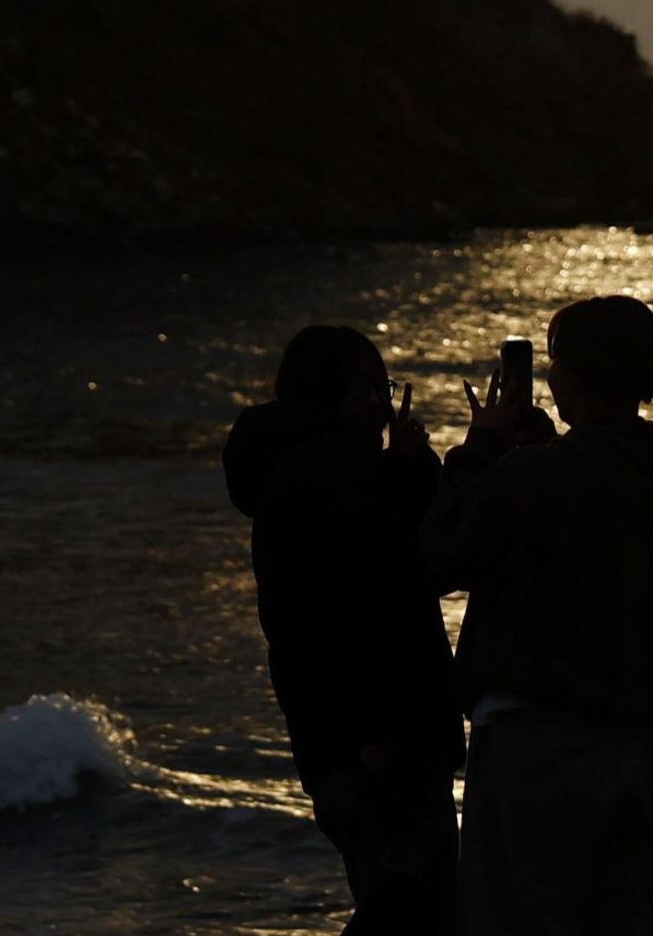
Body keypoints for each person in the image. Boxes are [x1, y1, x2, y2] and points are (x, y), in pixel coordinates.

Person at [424, 294, 653, 936]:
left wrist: (478, 450)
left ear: (569, 378)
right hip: (642, 740)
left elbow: (443, 557)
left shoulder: (535, 474)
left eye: (553, 364)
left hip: (540, 738)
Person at [226, 323, 463, 935]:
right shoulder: (336, 482)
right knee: (414, 907)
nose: (382, 403)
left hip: (339, 739)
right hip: (381, 744)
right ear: (329, 392)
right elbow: (365, 612)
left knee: (405, 901)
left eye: (383, 387)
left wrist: (405, 471)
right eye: (368, 389)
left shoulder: (315, 472)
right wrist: (381, 732)